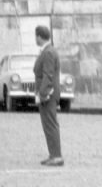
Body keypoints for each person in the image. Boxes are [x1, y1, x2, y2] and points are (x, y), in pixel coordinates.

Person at [32, 25, 63, 167]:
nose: (35, 39)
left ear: (39, 36)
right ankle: (53, 154)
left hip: (48, 95)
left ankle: (56, 156)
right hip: (47, 94)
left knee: (50, 125)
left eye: (36, 36)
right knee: (48, 125)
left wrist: (42, 93)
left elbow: (48, 75)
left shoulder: (48, 52)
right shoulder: (47, 51)